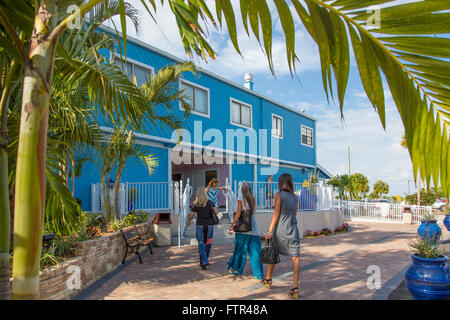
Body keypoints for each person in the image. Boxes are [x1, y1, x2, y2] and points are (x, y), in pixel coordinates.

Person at [261, 173, 301, 299]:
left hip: (280, 230)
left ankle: (268, 279)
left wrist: (270, 231)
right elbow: (294, 215)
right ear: (290, 182)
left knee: (273, 252)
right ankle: (295, 288)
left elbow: (276, 214)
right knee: (295, 258)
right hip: (293, 229)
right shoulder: (295, 198)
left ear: (280, 183)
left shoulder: (279, 195)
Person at [227, 182, 264, 280]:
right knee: (255, 251)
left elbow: (238, 214)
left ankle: (236, 268)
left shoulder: (241, 199)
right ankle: (258, 273)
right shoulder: (252, 198)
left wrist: (232, 225)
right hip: (253, 228)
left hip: (243, 229)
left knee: (240, 250)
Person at [186, 187, 219, 270]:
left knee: (201, 242)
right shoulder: (211, 202)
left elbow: (191, 215)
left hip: (200, 225)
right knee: (208, 242)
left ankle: (204, 260)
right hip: (209, 226)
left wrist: (189, 222)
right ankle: (205, 259)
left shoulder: (197, 204)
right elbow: (216, 212)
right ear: (205, 194)